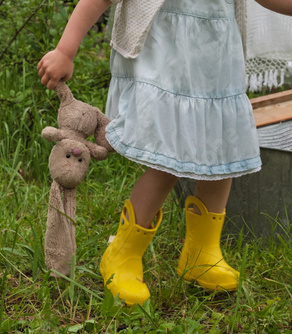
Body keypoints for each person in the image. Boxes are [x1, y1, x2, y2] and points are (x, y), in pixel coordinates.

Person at [38, 0, 292, 306]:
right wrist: (66, 50)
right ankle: (124, 253)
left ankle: (202, 252)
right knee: (168, 157)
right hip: (165, 60)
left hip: (216, 67)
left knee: (219, 150)